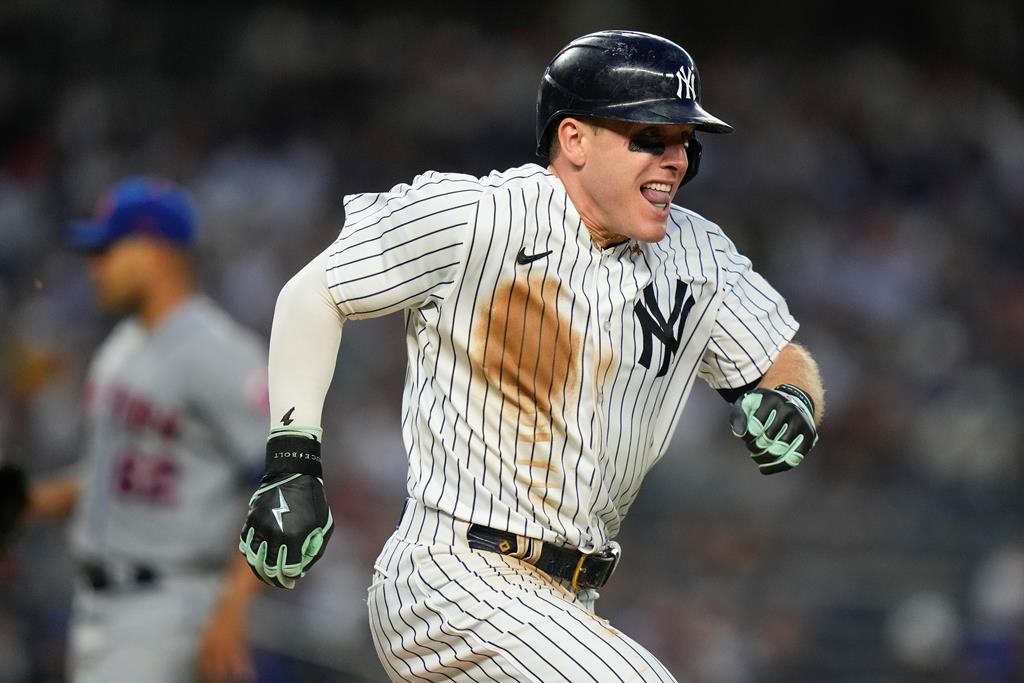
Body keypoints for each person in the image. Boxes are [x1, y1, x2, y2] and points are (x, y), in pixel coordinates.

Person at [239, 29, 825, 681]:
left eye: (684, 142)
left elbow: (783, 358)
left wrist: (793, 397)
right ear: (573, 139)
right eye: (649, 139)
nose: (676, 160)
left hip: (566, 598)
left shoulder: (699, 253)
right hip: (451, 577)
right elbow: (314, 292)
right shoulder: (480, 216)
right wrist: (292, 460)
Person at [23, 177, 269, 682]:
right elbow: (111, 472)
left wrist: (233, 606)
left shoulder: (220, 353)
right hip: (99, 606)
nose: (95, 269)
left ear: (156, 253)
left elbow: (291, 486)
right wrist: (27, 502)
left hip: (169, 607)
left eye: (108, 250)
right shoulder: (121, 346)